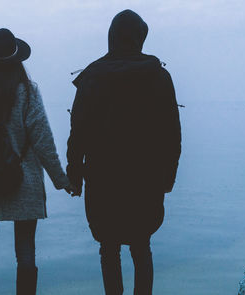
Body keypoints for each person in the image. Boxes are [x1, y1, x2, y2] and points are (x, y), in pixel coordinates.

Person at [66, 10, 182, 295]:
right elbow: (172, 133)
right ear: (140, 38)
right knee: (142, 246)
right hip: (146, 177)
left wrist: (75, 173)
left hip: (102, 177)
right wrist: (168, 177)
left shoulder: (92, 77)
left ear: (112, 37)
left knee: (108, 248)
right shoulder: (158, 76)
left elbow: (77, 131)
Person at [0, 28, 73, 295]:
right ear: (18, 59)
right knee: (26, 253)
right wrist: (61, 180)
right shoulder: (27, 92)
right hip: (23, 183)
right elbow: (42, 139)